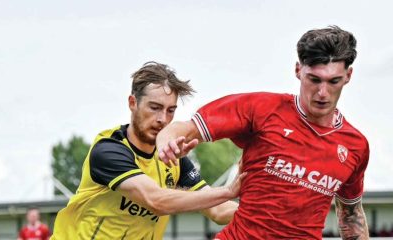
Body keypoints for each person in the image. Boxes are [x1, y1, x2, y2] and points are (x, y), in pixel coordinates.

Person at [157, 26, 370, 239]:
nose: (322, 93)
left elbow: (351, 216)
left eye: (333, 81)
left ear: (348, 76)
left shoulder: (355, 146)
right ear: (298, 70)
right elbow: (186, 128)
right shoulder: (261, 109)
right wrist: (167, 140)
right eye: (314, 80)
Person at [51, 62, 245, 239]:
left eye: (170, 110)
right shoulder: (109, 150)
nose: (162, 119)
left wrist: (267, 213)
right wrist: (228, 191)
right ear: (132, 103)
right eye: (155, 107)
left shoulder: (174, 160)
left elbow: (218, 211)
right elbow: (157, 201)